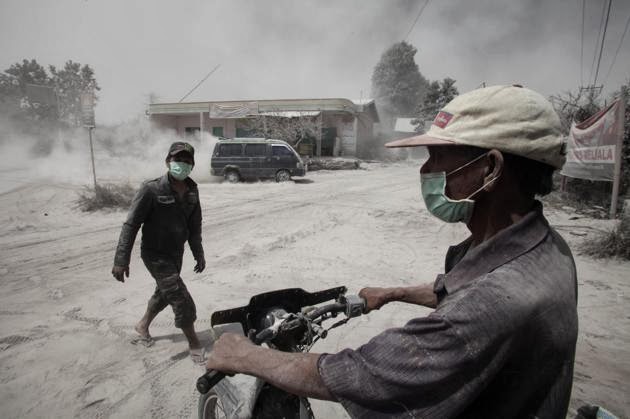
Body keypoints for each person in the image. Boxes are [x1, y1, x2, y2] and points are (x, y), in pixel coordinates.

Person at [205, 85, 578, 417]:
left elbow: (364, 375)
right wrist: (394, 293)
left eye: (437, 157)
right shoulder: (545, 249)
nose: (426, 170)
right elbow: (463, 288)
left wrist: (246, 355)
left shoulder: (490, 305)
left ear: (490, 168)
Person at [112, 141, 207, 364]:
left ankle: (142, 325)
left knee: (165, 293)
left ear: (192, 165)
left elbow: (196, 226)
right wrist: (121, 259)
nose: (181, 165)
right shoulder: (151, 189)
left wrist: (198, 253)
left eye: (186, 161)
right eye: (177, 160)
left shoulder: (193, 190)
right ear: (167, 162)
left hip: (176, 253)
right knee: (180, 297)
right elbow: (131, 225)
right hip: (155, 254)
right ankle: (193, 341)